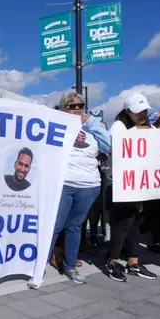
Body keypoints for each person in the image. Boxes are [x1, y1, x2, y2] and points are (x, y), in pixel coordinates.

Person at [43, 93, 111, 285]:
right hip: (64, 183)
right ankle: (39, 263)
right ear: (64, 108)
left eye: (80, 105)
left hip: (89, 185)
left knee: (75, 226)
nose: (77, 108)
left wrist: (93, 124)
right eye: (72, 106)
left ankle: (70, 267)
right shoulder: (57, 126)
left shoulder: (91, 130)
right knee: (55, 225)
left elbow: (109, 145)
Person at [105, 93, 160, 282]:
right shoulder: (119, 126)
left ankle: (133, 262)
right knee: (123, 224)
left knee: (136, 225)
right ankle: (112, 262)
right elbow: (115, 148)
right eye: (138, 112)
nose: (142, 114)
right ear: (127, 112)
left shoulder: (150, 126)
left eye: (145, 111)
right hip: (125, 183)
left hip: (143, 183)